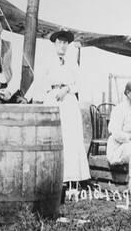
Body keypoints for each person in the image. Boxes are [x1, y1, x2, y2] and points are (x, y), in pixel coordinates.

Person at [24, 28, 90, 184]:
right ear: (54, 44)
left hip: (69, 101)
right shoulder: (47, 60)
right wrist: (27, 98)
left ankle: (72, 177)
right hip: (53, 99)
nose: (62, 45)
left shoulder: (72, 63)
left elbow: (79, 83)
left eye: (65, 43)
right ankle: (54, 175)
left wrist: (67, 89)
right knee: (54, 136)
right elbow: (38, 81)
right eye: (59, 42)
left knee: (70, 137)